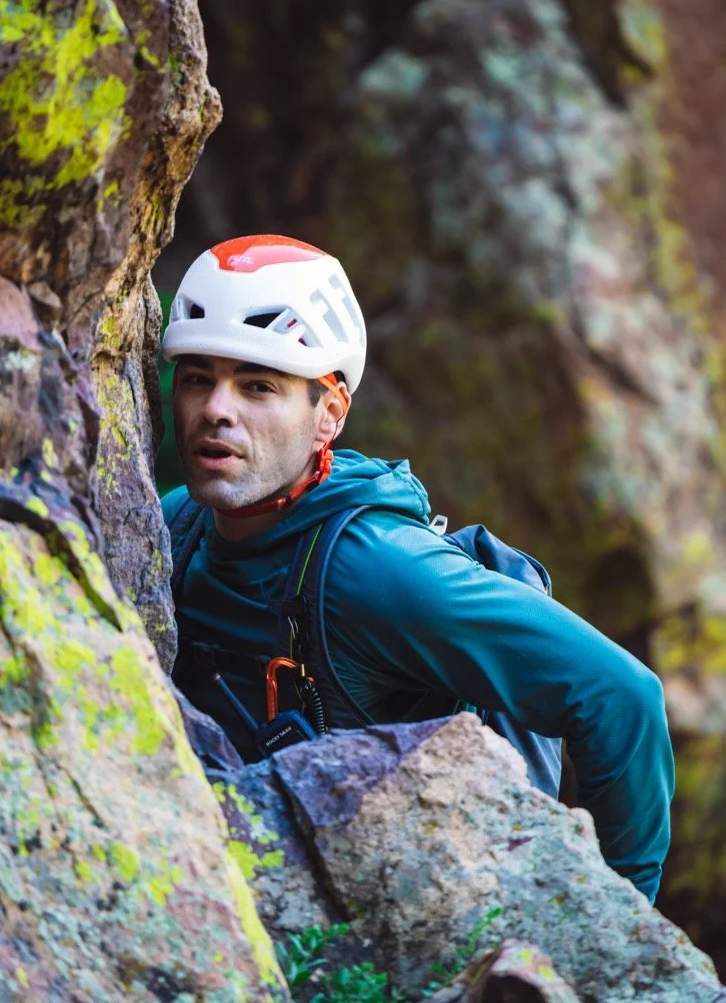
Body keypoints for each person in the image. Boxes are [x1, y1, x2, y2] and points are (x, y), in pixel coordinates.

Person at [161, 233, 674, 903]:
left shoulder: (375, 571)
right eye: (199, 376)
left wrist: (621, 920)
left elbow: (619, 696)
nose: (216, 409)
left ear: (329, 415)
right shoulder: (174, 523)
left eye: (258, 386)